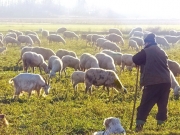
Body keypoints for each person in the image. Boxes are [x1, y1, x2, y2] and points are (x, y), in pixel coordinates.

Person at [132, 33, 171, 132]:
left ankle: (139, 126)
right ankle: (161, 126)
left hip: (153, 82)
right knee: (162, 104)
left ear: (147, 42)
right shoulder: (162, 51)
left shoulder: (147, 51)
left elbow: (135, 59)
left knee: (145, 103)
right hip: (166, 82)